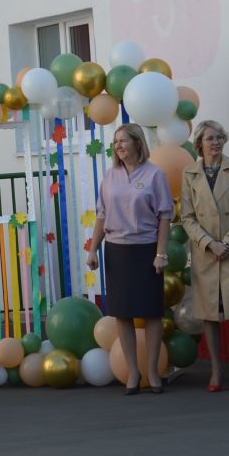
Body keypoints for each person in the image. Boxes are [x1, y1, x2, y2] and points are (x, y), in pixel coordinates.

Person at [85, 124, 173, 396]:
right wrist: (93, 250)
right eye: (116, 142)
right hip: (117, 251)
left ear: (137, 143)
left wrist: (160, 254)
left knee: (151, 312)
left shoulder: (154, 174)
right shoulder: (109, 176)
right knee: (122, 313)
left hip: (146, 250)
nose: (119, 146)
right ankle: (133, 372)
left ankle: (153, 372)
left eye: (123, 141)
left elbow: (165, 216)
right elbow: (101, 215)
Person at [179, 121, 229, 392]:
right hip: (206, 252)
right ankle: (215, 369)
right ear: (199, 142)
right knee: (209, 313)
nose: (216, 142)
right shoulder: (189, 173)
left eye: (220, 137)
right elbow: (187, 217)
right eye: (210, 138)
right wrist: (210, 244)